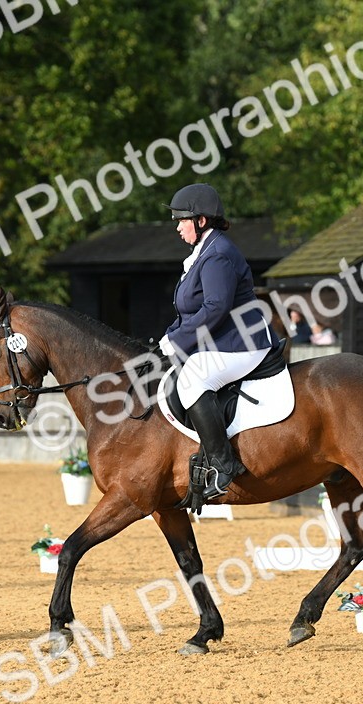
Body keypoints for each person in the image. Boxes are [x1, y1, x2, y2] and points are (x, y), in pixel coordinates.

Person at [159, 183, 272, 504]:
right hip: (222, 340)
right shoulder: (204, 252)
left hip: (242, 342)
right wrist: (168, 338)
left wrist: (177, 341)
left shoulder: (219, 254)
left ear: (202, 221)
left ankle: (224, 463)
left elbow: (215, 307)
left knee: (193, 378)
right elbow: (189, 309)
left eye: (182, 220)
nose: (177, 227)